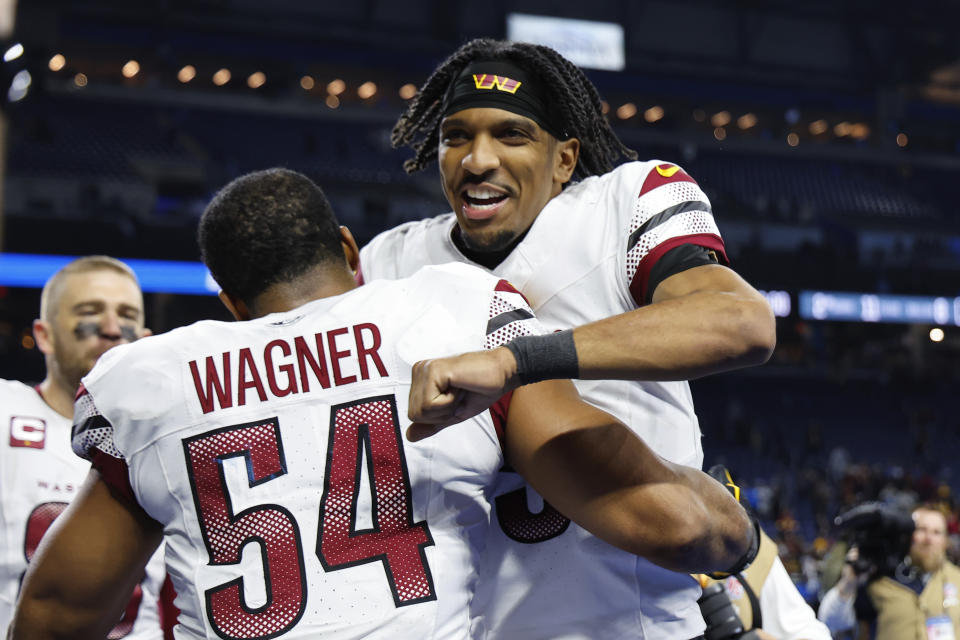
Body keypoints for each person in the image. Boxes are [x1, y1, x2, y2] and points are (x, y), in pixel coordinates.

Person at [9, 169, 755, 639]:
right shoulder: (447, 313)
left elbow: (58, 614)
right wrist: (736, 531)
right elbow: (674, 525)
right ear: (347, 247)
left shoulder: (150, 379)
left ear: (231, 300)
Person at [359, 38, 777, 639]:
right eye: (456, 136)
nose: (476, 160)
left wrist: (516, 361)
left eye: (511, 135)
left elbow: (740, 322)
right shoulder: (390, 261)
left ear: (564, 159)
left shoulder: (626, 200)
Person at [0, 255, 168, 638]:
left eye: (126, 315)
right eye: (90, 311)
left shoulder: (169, 434)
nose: (111, 328)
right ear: (44, 335)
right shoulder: (5, 409)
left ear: (144, 341)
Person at [818, 504, 960, 639]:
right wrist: (849, 582)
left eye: (937, 532)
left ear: (945, 540)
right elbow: (831, 623)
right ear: (907, 535)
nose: (928, 539)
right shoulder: (880, 578)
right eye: (921, 530)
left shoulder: (957, 579)